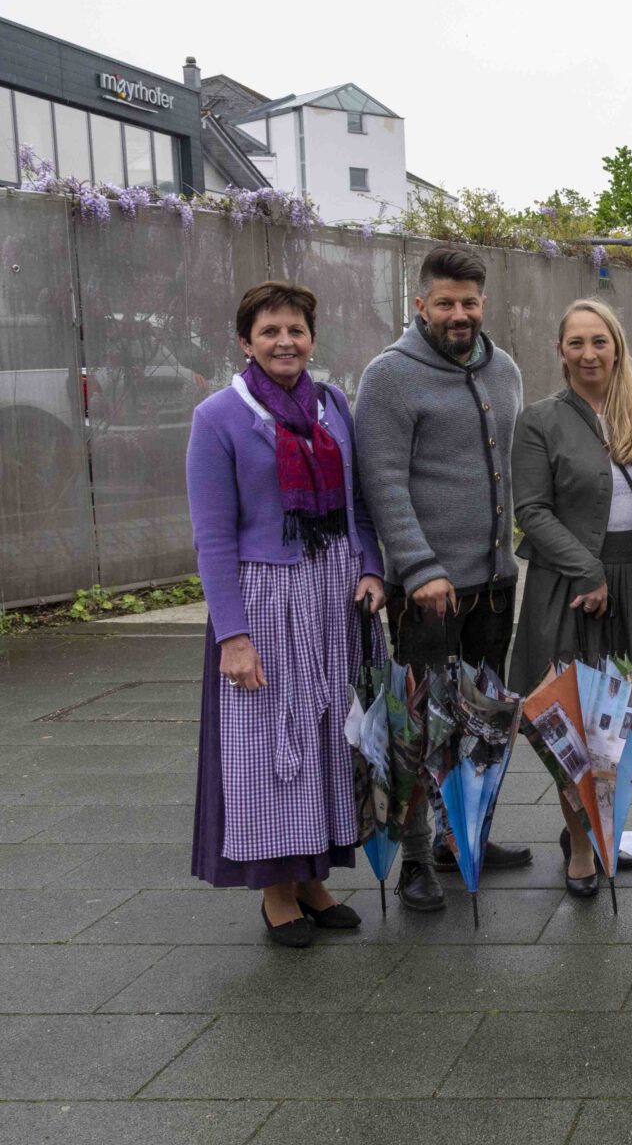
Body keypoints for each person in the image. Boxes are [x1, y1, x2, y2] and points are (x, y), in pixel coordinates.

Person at [187, 281, 385, 948]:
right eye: (269, 331)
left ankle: (314, 877)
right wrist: (233, 636)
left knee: (331, 733)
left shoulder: (332, 407)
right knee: (275, 743)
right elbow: (213, 536)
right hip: (265, 597)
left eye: (296, 330)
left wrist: (370, 567)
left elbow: (357, 503)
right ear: (245, 342)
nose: (284, 341)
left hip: (333, 593)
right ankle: (277, 890)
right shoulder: (219, 416)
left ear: (312, 338)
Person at [356, 245, 532, 913]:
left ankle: (463, 841)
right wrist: (420, 566)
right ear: (420, 305)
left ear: (482, 304)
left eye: (470, 302)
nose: (459, 314)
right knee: (418, 729)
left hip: (493, 584)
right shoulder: (390, 377)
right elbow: (382, 481)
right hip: (427, 591)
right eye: (446, 303)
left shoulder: (505, 369)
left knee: (480, 723)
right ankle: (415, 856)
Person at [509, 298, 632, 897]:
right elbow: (531, 511)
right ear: (561, 351)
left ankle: (607, 824)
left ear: (617, 346)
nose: (589, 353)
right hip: (572, 587)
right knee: (568, 718)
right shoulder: (539, 421)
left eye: (600, 341)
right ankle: (577, 840)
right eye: (577, 343)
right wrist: (587, 571)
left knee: (624, 720)